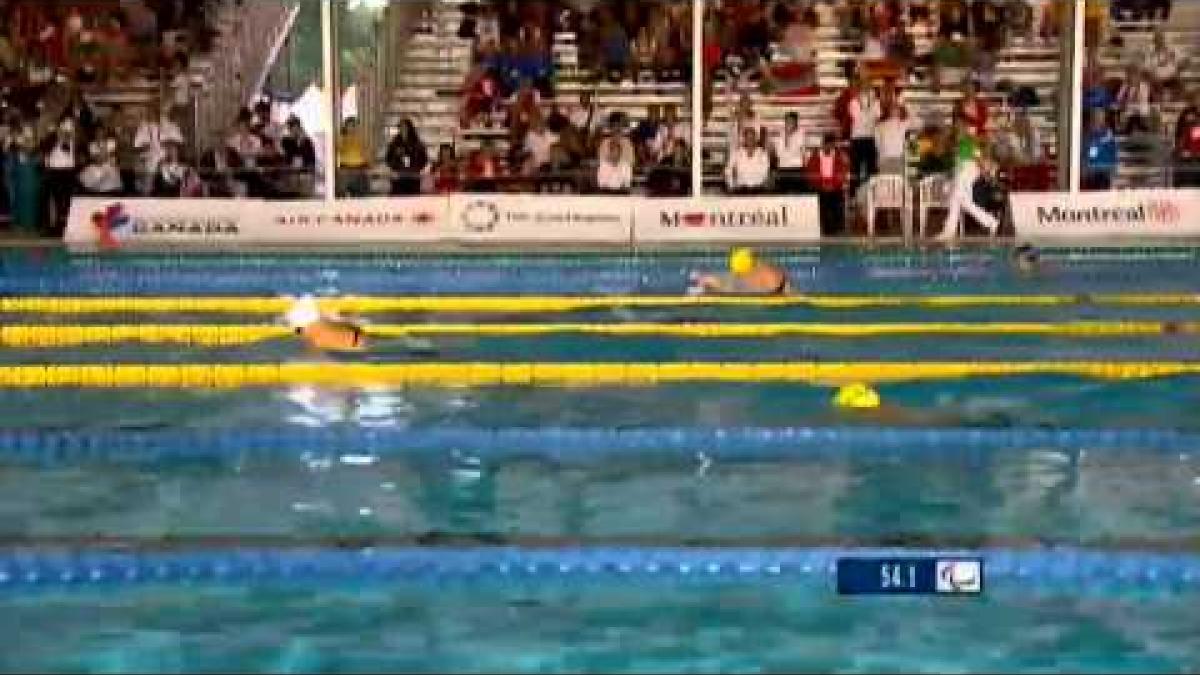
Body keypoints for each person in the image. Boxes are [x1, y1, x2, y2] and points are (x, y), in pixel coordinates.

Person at [937, 146, 999, 241]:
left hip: (967, 175)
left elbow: (980, 160)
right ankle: (991, 221)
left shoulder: (969, 145)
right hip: (964, 176)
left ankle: (948, 231)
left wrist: (986, 170)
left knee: (958, 201)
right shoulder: (962, 147)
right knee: (961, 203)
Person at [690, 248, 790, 296]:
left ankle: (700, 279)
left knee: (723, 283)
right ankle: (701, 280)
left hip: (750, 288)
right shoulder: (779, 276)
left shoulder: (734, 283)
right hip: (767, 289)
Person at [806, 133, 851, 236]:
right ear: (823, 144)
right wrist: (822, 184)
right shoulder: (815, 156)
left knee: (837, 202)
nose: (829, 147)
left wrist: (834, 184)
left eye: (831, 145)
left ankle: (838, 228)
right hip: (820, 187)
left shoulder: (841, 156)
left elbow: (844, 172)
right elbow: (810, 173)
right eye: (827, 144)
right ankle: (825, 228)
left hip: (835, 187)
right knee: (823, 204)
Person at [384, 118, 428, 196]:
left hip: (413, 176)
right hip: (399, 176)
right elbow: (388, 159)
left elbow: (423, 159)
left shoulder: (417, 143)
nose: (403, 130)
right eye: (401, 127)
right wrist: (395, 166)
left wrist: (416, 168)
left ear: (409, 128)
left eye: (405, 127)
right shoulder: (394, 143)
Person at [725, 126, 771, 194]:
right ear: (744, 139)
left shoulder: (762, 153)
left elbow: (766, 172)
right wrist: (732, 185)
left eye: (752, 138)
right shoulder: (736, 153)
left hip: (759, 189)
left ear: (756, 139)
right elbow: (728, 171)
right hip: (740, 189)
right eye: (748, 138)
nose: (750, 140)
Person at [772, 112, 808, 192]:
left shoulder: (801, 134)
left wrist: (787, 138)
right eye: (787, 121)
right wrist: (786, 137)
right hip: (782, 168)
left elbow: (795, 151)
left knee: (797, 194)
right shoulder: (779, 134)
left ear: (796, 123)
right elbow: (779, 153)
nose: (788, 123)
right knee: (782, 194)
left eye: (791, 121)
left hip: (797, 168)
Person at [1083, 110, 1118, 190]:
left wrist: (1113, 167)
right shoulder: (1089, 135)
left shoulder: (1109, 135)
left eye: (1100, 117)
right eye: (1096, 118)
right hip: (1093, 171)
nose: (1099, 119)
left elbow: (1113, 153)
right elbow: (1090, 153)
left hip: (1104, 170)